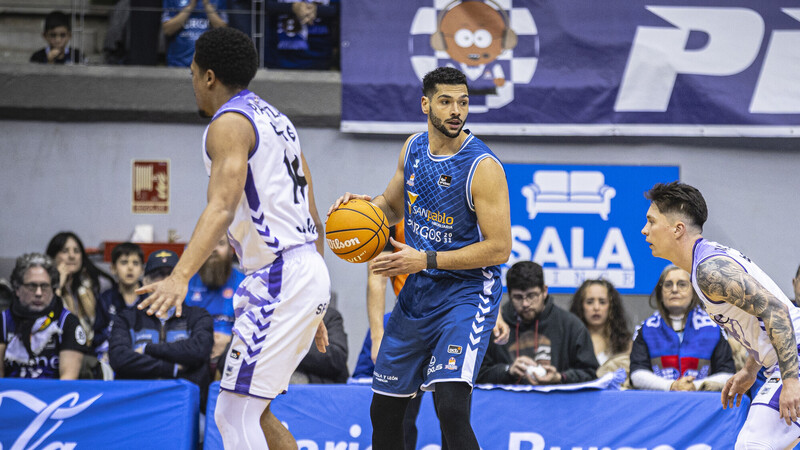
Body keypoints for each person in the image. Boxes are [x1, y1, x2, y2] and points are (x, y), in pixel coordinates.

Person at [135, 27, 330, 450]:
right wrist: (310, 302)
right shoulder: (279, 121)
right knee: (255, 412)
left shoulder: (229, 124)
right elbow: (312, 213)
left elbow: (222, 206)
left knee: (231, 412)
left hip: (281, 275)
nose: (192, 84)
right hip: (304, 270)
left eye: (192, 74)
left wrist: (179, 276)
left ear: (208, 76)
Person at [328, 66, 511, 449]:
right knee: (384, 410)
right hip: (419, 294)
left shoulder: (483, 167)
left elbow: (499, 248)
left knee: (451, 407)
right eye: (446, 102)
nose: (456, 111)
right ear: (426, 104)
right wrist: (361, 209)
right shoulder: (413, 148)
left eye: (463, 102)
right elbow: (392, 207)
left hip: (467, 294)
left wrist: (426, 259)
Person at [641, 181, 800, 447]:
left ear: (677, 229)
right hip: (785, 358)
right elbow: (760, 322)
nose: (644, 230)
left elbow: (778, 312)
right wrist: (750, 369)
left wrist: (791, 381)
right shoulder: (705, 264)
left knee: (752, 445)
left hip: (794, 356)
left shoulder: (709, 270)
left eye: (651, 221)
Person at [109, 249, 213, 406]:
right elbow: (119, 358)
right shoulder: (126, 318)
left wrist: (147, 349)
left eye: (171, 275)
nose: (165, 282)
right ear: (145, 282)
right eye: (158, 275)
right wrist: (171, 368)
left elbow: (199, 351)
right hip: (138, 404)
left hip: (185, 404)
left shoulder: (198, 316)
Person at [478, 261, 599, 385]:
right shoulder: (496, 328)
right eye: (518, 297)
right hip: (507, 397)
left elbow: (591, 373)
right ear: (509, 295)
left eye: (531, 295)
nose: (525, 303)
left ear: (544, 291)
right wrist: (508, 371)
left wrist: (560, 377)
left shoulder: (570, 325)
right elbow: (477, 375)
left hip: (556, 397)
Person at [629, 266, 735, 391]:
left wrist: (695, 385)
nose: (674, 289)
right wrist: (671, 385)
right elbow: (636, 373)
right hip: (659, 400)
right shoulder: (646, 329)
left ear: (694, 292)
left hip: (702, 399)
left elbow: (728, 373)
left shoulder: (713, 328)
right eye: (668, 285)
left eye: (682, 284)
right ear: (660, 293)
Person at [1, 253, 87, 379]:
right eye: (32, 286)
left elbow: (68, 379)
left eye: (45, 286)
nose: (38, 293)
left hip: (54, 391)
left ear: (53, 289)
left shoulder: (68, 322)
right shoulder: (3, 321)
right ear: (17, 289)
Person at [46, 231, 114, 377]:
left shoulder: (95, 284)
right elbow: (47, 317)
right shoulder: (42, 286)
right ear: (52, 257)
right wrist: (59, 284)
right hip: (55, 349)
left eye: (76, 251)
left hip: (91, 349)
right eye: (65, 251)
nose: (72, 256)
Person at [184, 234, 243, 371]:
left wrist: (231, 341)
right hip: (194, 352)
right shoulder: (186, 283)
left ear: (231, 250)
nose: (214, 249)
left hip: (235, 352)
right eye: (209, 244)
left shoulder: (245, 283)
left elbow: (255, 329)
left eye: (220, 244)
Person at [569, 279, 632, 378]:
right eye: (589, 302)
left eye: (602, 302)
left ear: (611, 306)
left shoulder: (625, 344)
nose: (596, 308)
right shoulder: (570, 340)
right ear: (581, 306)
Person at [264, 0, 340, 70]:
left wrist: (317, 9)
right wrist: (292, 7)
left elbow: (340, 7)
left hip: (319, 55)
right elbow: (262, 5)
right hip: (278, 56)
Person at [291, 302, 348, 384]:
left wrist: (294, 346)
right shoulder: (275, 317)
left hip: (314, 382)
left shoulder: (329, 316)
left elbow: (336, 358)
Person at [162, 0, 228, 67]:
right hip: (178, 64)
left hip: (209, 65)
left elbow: (223, 31)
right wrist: (190, 5)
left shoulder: (218, 1)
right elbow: (168, 30)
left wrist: (207, 5)